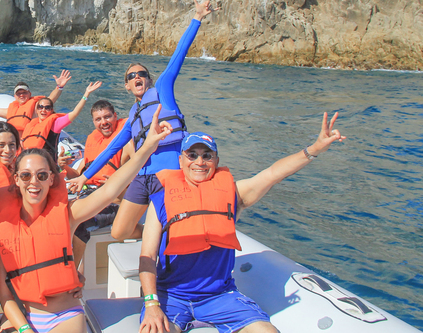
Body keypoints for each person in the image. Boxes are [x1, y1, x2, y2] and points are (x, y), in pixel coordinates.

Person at [139, 113, 346, 333]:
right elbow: (148, 257)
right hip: (171, 295)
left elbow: (273, 174)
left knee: (267, 331)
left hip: (218, 296)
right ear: (181, 161)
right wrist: (151, 304)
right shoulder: (160, 201)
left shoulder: (234, 195)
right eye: (192, 155)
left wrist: (314, 149)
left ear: (216, 161)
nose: (200, 162)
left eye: (207, 156)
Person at [0, 106, 173, 333]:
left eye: (42, 175)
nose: (34, 182)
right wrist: (24, 329)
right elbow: (4, 295)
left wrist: (147, 148)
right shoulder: (3, 224)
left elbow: (108, 192)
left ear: (51, 179)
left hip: (65, 316)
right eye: (26, 176)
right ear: (17, 179)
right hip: (22, 315)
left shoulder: (68, 214)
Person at [68, 0, 216, 240]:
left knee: (170, 229)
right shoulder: (131, 119)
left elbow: (178, 56)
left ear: (149, 80)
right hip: (142, 177)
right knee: (119, 231)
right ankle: (152, 235)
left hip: (169, 174)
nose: (137, 77)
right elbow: (111, 149)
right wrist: (84, 176)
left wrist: (197, 18)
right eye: (131, 76)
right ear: (127, 86)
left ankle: (160, 240)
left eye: (142, 74)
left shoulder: (162, 90)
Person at [70, 100, 132, 270]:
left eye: (107, 117)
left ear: (115, 116)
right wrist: (64, 167)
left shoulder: (126, 143)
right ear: (93, 121)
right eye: (98, 119)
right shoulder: (92, 139)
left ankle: (73, 274)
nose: (103, 122)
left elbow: (140, 178)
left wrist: (118, 184)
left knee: (81, 223)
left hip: (114, 203)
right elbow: (80, 175)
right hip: (89, 195)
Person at [21, 81, 102, 161]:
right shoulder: (31, 124)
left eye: (47, 108)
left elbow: (74, 113)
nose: (43, 110)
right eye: (40, 107)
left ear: (51, 110)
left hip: (47, 164)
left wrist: (86, 94)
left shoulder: (55, 124)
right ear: (37, 109)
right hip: (29, 161)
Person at [0, 70, 72, 136]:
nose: (21, 95)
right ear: (15, 96)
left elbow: (50, 99)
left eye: (24, 92)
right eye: (19, 93)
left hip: (27, 142)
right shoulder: (11, 110)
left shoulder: (36, 108)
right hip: (13, 143)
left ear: (30, 94)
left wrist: (59, 87)